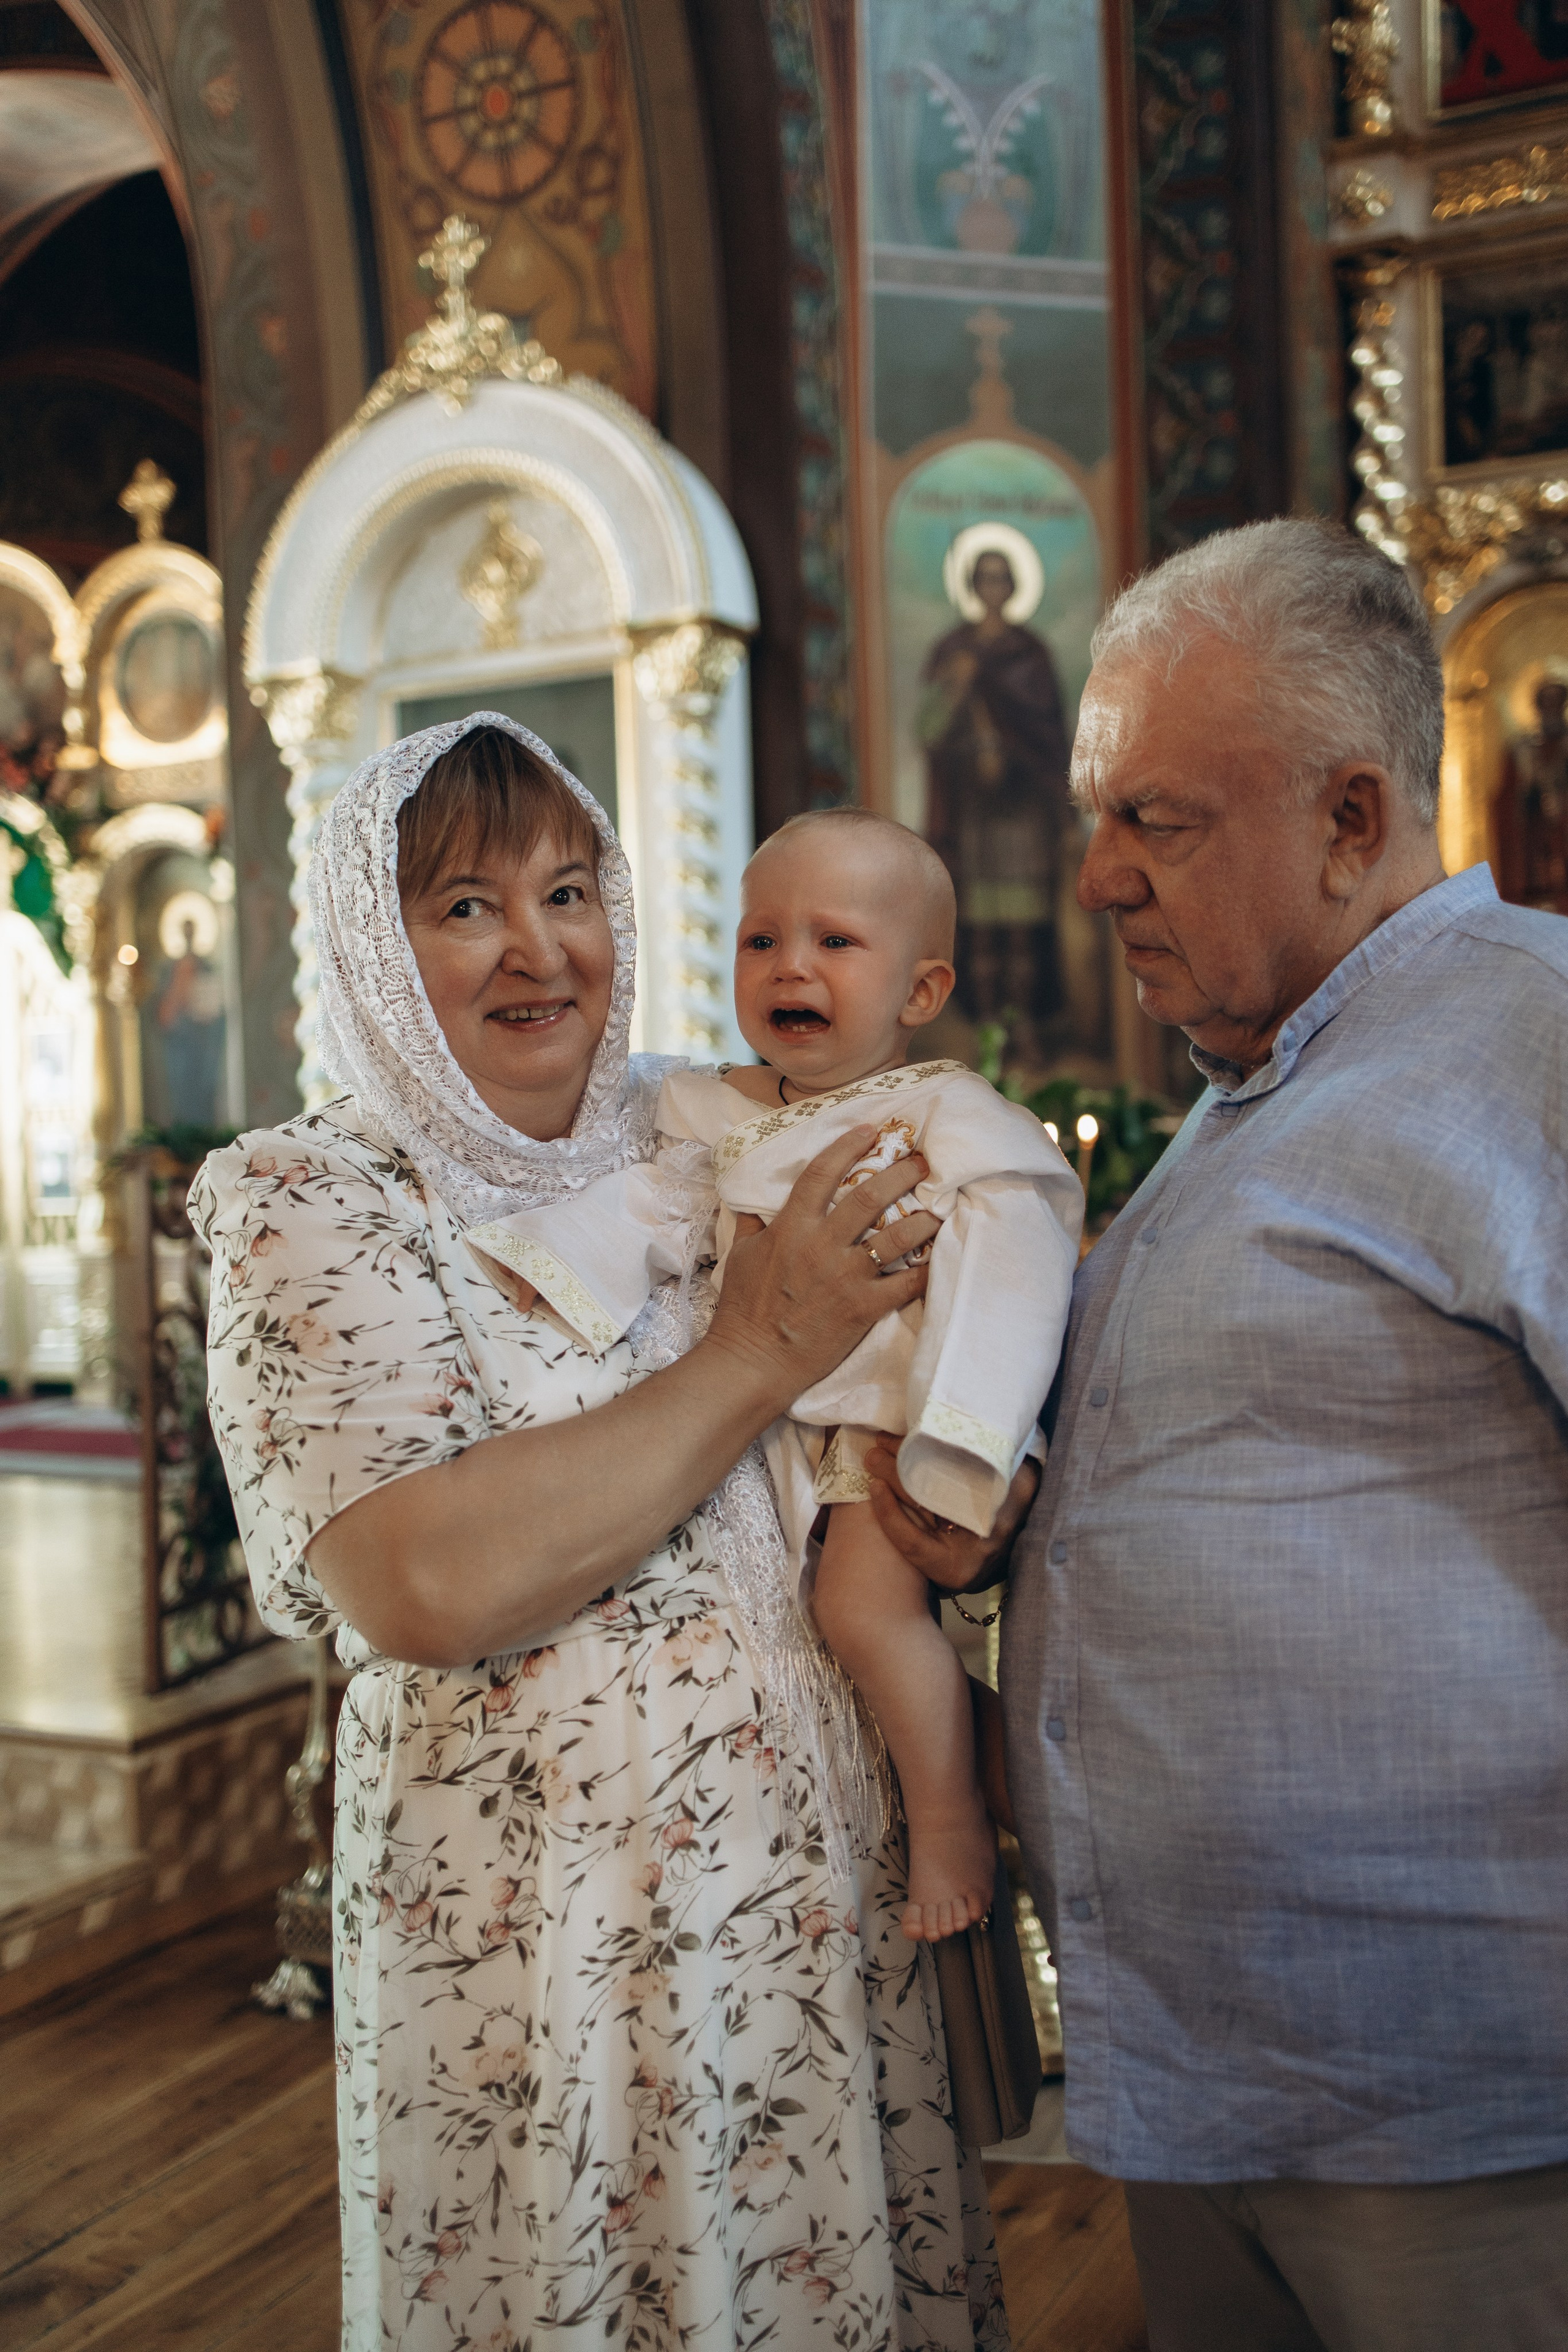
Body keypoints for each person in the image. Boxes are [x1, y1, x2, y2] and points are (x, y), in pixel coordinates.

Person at [190, 716, 1023, 2351]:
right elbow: (423, 1580)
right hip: (545, 1943)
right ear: (372, 935)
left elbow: (944, 1318)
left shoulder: (712, 1121)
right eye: (464, 907)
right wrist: (760, 1354)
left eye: (570, 890)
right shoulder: (312, 1197)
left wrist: (966, 1478)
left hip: (815, 1899)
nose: (539, 948)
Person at [928, 518, 1565, 2350]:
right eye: (1091, 817)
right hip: (1215, 2077)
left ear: (1351, 818)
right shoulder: (1255, 1084)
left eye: (1158, 820)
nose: (1093, 879)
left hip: (1456, 2102)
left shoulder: (1526, 1037)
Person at [464, 808, 1081, 1942]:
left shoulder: (949, 1115)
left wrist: (969, 1432)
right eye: (762, 940)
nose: (791, 964)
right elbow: (652, 1203)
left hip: (887, 1418)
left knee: (860, 1609)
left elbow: (1017, 1251)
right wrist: (556, 1270)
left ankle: (949, 1822)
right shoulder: (712, 1107)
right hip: (756, 1422)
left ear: (921, 991)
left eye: (835, 943)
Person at [919, 548, 1072, 1054]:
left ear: (1012, 586)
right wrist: (957, 687)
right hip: (974, 811)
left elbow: (1050, 735)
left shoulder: (1030, 653)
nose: (993, 586)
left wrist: (1014, 754)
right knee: (982, 930)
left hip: (1022, 808)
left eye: (1002, 577)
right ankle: (988, 1028)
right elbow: (929, 731)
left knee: (1024, 930)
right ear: (971, 584)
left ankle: (1023, 1026)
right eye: (984, 577)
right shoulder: (953, 651)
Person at [1494, 671, 1568, 911]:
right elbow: (1505, 798)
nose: (1551, 708)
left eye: (1557, 702)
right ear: (1538, 706)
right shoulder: (1523, 748)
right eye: (1546, 702)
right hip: (1535, 837)